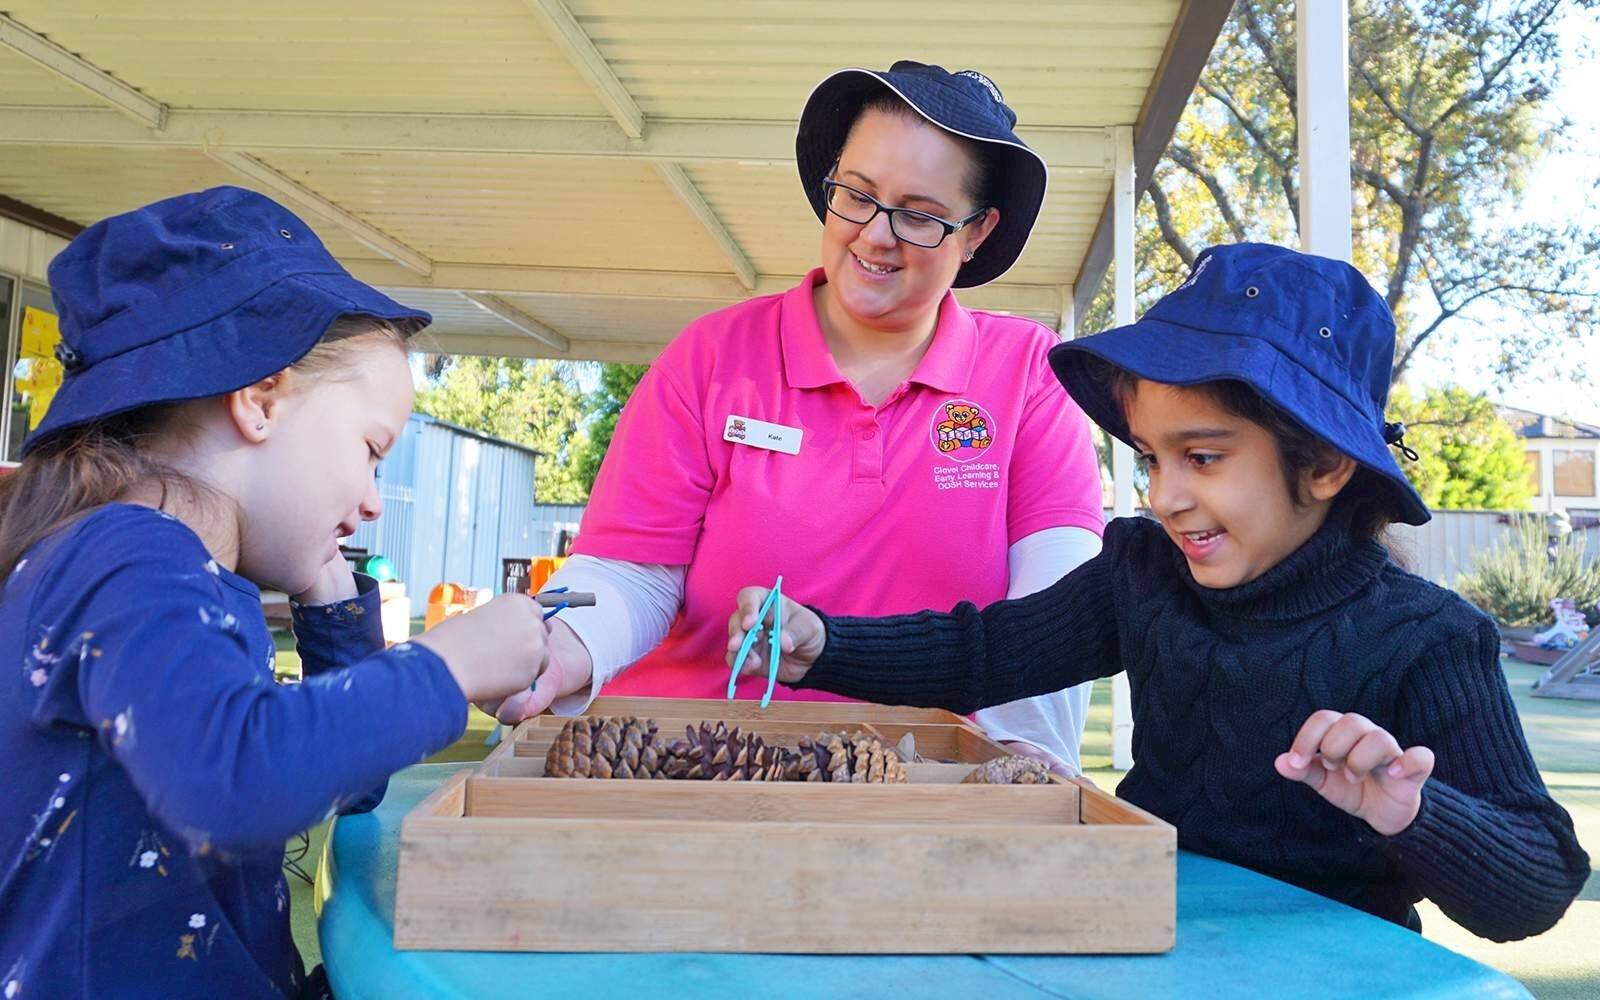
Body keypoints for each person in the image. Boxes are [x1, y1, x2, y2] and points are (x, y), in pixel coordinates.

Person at [727, 243, 1590, 941]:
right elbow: (988, 650)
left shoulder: (1429, 638)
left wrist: (1414, 809)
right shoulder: (1144, 572)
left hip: (1327, 968)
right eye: (1151, 457)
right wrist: (826, 643)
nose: (1163, 495)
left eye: (1203, 457)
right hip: (1134, 936)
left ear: (1325, 464)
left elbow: (1539, 887)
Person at [0, 187, 549, 998]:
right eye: (370, 450)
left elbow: (337, 779)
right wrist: (448, 665)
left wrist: (330, 607)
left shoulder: (156, 568)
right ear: (260, 400)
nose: (371, 499)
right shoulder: (129, 558)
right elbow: (230, 782)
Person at [498, 62, 1106, 773]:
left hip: (923, 778)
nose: (875, 236)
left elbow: (1057, 601)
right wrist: (561, 649)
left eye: (918, 214)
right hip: (690, 764)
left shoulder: (1032, 373)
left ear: (977, 232)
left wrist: (1024, 755)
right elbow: (633, 575)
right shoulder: (714, 356)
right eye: (856, 195)